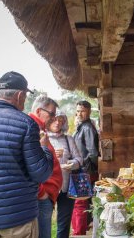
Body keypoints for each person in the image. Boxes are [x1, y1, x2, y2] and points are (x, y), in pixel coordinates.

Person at [0, 71, 54, 238]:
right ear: (19, 95)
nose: (25, 101)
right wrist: (45, 148)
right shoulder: (25, 124)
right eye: (25, 96)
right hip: (17, 218)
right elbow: (41, 174)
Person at [29, 95, 63, 238]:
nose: (54, 118)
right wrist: (43, 194)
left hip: (45, 196)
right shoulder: (32, 129)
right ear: (38, 111)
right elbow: (30, 167)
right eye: (51, 114)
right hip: (42, 198)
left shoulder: (38, 129)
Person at [46, 110, 83, 238]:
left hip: (66, 187)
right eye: (55, 119)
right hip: (47, 187)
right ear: (49, 120)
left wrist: (70, 163)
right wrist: (51, 156)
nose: (58, 123)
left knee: (64, 223)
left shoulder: (68, 139)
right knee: (44, 222)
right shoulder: (41, 137)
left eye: (61, 120)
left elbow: (79, 159)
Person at [71, 100, 99, 235]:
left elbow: (93, 153)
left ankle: (79, 232)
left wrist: (83, 166)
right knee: (83, 201)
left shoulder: (87, 128)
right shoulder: (81, 126)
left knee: (80, 202)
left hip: (85, 170)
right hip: (81, 169)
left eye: (82, 110)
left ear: (89, 112)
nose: (79, 113)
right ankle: (82, 228)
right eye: (78, 111)